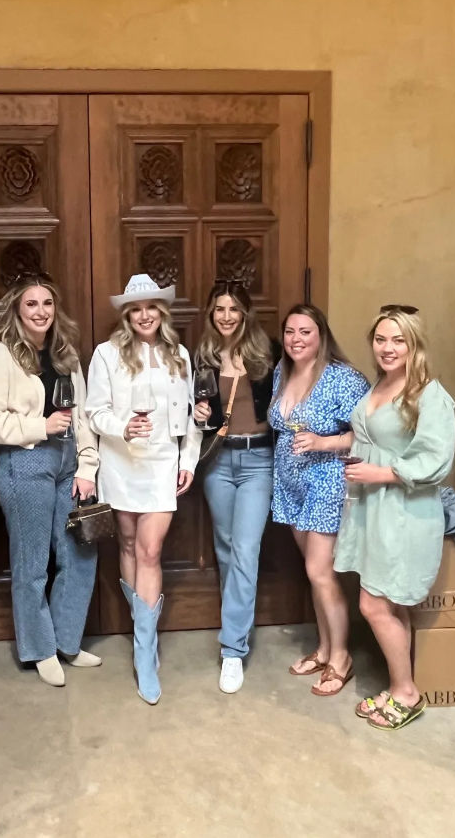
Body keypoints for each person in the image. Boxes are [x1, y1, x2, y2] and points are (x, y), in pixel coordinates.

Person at [0, 273, 101, 688]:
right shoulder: (2, 356)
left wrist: (87, 467)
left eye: (47, 304)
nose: (41, 312)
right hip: (24, 463)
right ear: (17, 310)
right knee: (31, 563)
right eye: (32, 304)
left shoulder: (65, 355)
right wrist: (40, 425)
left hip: (68, 462)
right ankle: (40, 649)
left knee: (80, 553)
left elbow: (80, 418)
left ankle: (66, 641)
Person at [335, 304, 455, 731]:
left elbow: (437, 461)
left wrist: (380, 472)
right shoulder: (381, 385)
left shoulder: (428, 395)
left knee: (373, 604)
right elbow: (369, 437)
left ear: (414, 344)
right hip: (373, 508)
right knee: (388, 601)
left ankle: (407, 692)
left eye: (398, 339)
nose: (387, 348)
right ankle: (397, 684)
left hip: (404, 511)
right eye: (381, 339)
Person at [85, 274, 201, 705]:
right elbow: (94, 412)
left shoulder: (179, 355)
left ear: (162, 311)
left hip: (160, 466)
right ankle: (143, 632)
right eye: (136, 309)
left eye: (151, 306)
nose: (144, 315)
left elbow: (193, 415)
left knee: (150, 550)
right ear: (127, 315)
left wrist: (188, 460)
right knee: (130, 545)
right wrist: (123, 427)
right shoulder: (107, 354)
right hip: (120, 463)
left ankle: (144, 653)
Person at [267, 303, 369, 697]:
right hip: (292, 482)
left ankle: (342, 657)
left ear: (321, 335)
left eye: (305, 331)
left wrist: (324, 441)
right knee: (313, 572)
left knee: (320, 571)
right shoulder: (283, 371)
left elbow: (367, 434)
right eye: (290, 331)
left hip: (327, 482)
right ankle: (325, 648)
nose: (296, 339)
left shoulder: (343, 378)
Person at [192, 280, 280, 694]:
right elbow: (196, 416)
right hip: (218, 462)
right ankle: (236, 628)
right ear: (210, 314)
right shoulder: (203, 357)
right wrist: (198, 414)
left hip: (259, 461)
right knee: (226, 549)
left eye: (233, 309)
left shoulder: (269, 353)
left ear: (246, 312)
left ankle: (232, 649)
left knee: (246, 549)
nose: (226, 316)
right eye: (219, 309)